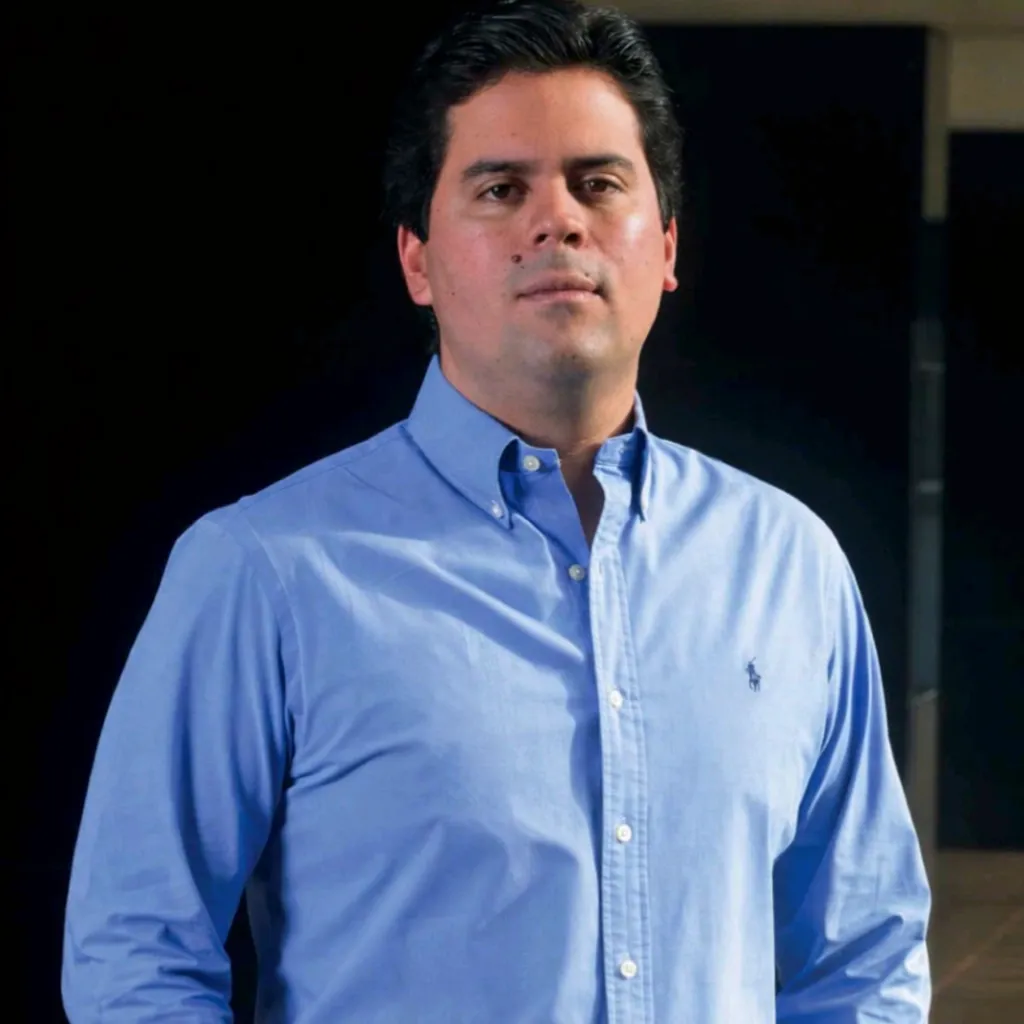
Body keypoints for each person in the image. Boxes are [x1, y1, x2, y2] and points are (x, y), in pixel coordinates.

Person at [61, 0, 932, 1020]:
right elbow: (135, 955)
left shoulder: (787, 563)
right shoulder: (266, 571)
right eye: (501, 188)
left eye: (598, 183)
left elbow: (865, 955)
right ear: (417, 260)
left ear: (666, 247)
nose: (557, 221)